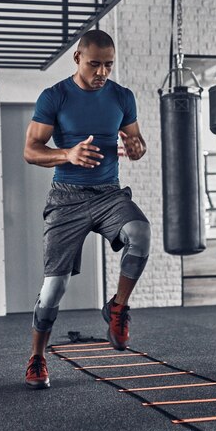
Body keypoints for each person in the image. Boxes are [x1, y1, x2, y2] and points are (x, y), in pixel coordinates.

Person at [23, 29, 150, 389]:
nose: (102, 73)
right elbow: (31, 149)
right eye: (95, 64)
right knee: (53, 289)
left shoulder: (122, 96)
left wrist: (138, 146)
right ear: (78, 58)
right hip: (67, 197)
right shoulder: (55, 97)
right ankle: (37, 357)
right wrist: (67, 153)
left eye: (109, 65)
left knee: (140, 234)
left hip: (109, 193)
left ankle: (117, 308)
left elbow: (134, 139)